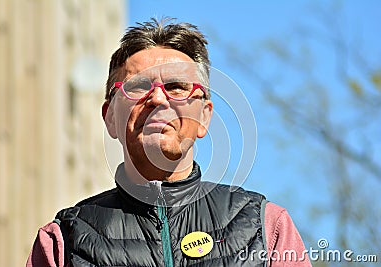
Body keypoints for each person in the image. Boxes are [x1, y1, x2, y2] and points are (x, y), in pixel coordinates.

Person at [27, 18, 311, 267]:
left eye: (176, 87)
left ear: (204, 116)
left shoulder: (265, 227)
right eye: (137, 87)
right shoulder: (62, 242)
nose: (158, 99)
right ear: (110, 118)